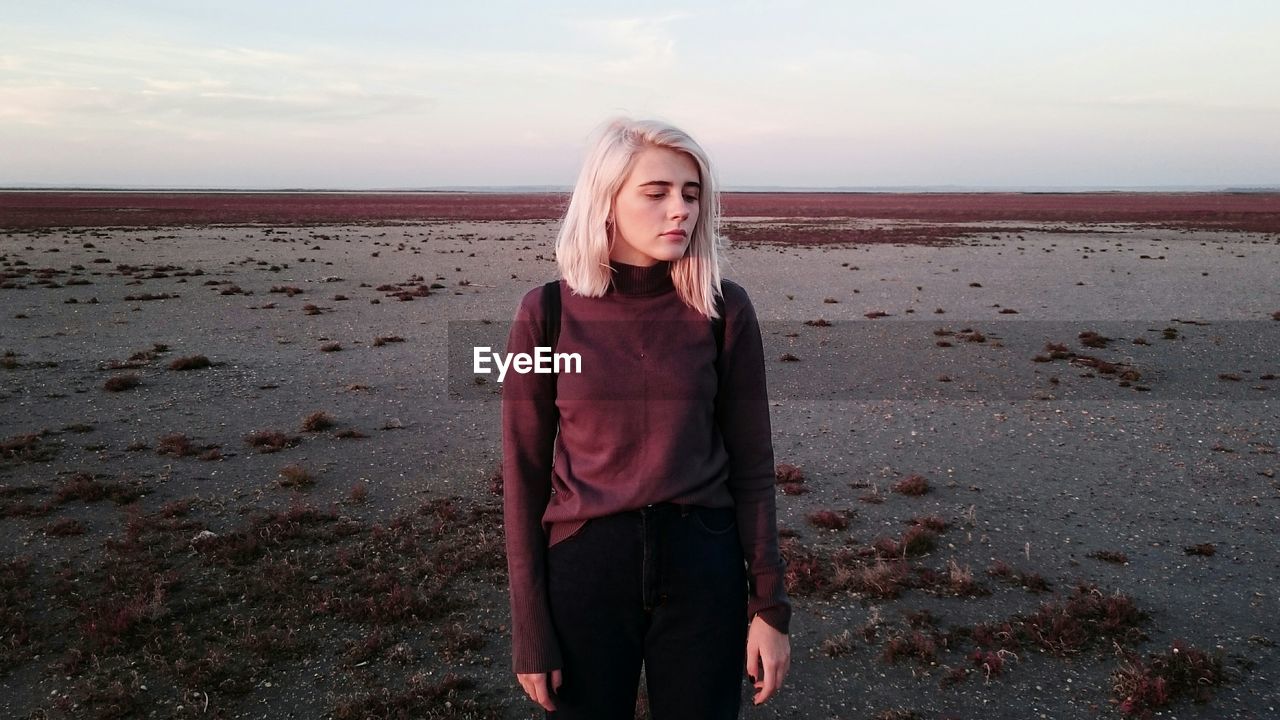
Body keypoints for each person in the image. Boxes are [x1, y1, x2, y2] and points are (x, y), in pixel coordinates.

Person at [502, 117, 791, 719]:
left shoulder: (722, 308)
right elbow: (523, 475)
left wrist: (768, 607)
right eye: (655, 192)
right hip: (586, 567)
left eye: (690, 193)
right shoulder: (547, 312)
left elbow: (754, 467)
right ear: (606, 200)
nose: (679, 209)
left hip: (702, 565)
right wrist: (530, 626)